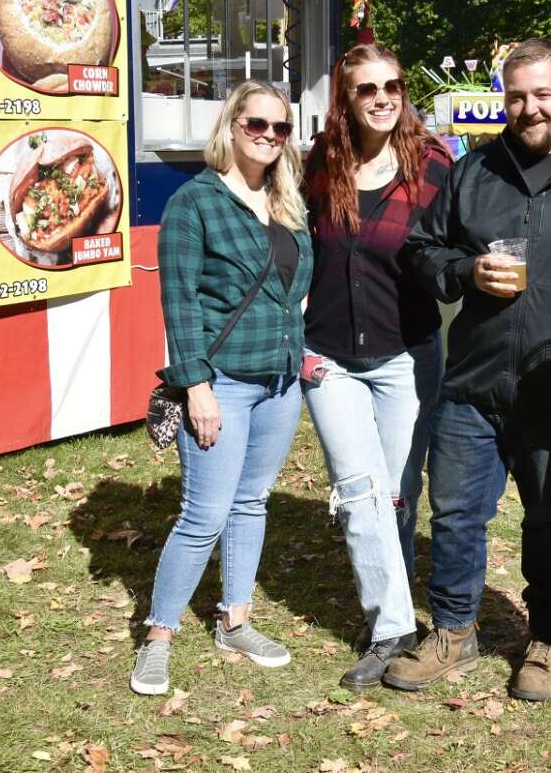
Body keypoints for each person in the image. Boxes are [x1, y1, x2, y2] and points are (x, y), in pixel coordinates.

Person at [384, 38, 551, 701]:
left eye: (543, 93)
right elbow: (421, 249)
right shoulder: (476, 169)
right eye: (516, 95)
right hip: (474, 380)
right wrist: (464, 271)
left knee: (549, 518)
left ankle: (546, 638)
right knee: (456, 513)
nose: (529, 107)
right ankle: (455, 630)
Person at [130, 82, 312, 696]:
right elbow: (178, 304)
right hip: (224, 383)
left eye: (279, 128)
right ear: (231, 126)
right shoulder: (195, 202)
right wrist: (195, 387)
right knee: (203, 515)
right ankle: (158, 634)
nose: (267, 135)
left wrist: (301, 351)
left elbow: (291, 288)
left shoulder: (287, 201)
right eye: (255, 123)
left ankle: (235, 620)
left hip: (281, 382)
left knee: (252, 501)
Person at [302, 43, 453, 690]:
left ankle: (394, 597)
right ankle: (391, 623)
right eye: (367, 88)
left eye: (392, 84)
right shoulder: (319, 163)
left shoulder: (435, 165)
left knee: (396, 490)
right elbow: (292, 243)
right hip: (329, 354)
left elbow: (458, 246)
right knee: (358, 491)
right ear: (346, 99)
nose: (383, 97)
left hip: (406, 354)